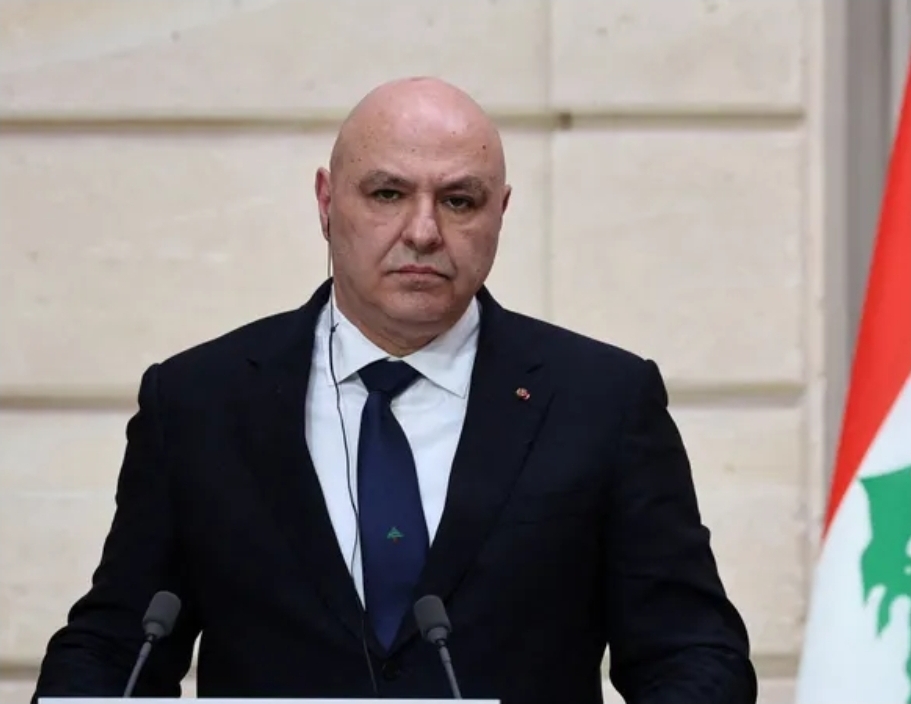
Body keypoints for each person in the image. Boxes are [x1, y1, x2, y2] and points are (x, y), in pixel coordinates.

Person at [32, 77, 757, 704]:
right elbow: (118, 645)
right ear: (326, 202)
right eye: (387, 193)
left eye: (460, 201)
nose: (423, 231)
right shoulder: (199, 401)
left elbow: (692, 654)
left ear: (501, 213)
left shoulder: (602, 401)